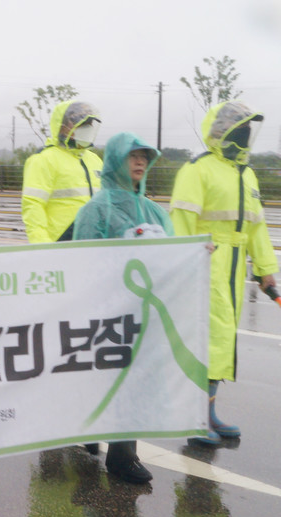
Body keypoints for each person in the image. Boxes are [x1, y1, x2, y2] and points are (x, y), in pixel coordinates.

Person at [169, 101, 278, 446]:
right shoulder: (197, 169)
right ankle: (194, 417)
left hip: (233, 270)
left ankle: (208, 412)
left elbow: (255, 229)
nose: (246, 137)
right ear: (222, 133)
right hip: (206, 265)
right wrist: (183, 265)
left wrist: (266, 272)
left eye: (249, 130)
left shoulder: (247, 174)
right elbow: (182, 223)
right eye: (240, 129)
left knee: (221, 341)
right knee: (207, 340)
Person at [72, 132, 173, 483]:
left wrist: (196, 255)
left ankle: (122, 457)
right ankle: (85, 425)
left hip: (142, 313)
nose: (141, 161)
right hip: (106, 312)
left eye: (145, 156)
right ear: (116, 160)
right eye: (133, 156)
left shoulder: (155, 211)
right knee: (100, 379)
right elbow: (81, 264)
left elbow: (173, 258)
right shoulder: (95, 210)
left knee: (134, 381)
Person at [21, 101, 103, 243]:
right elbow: (33, 206)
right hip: (60, 245)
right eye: (81, 123)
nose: (87, 128)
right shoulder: (43, 160)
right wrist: (43, 245)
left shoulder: (95, 160)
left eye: (89, 124)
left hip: (94, 243)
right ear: (62, 126)